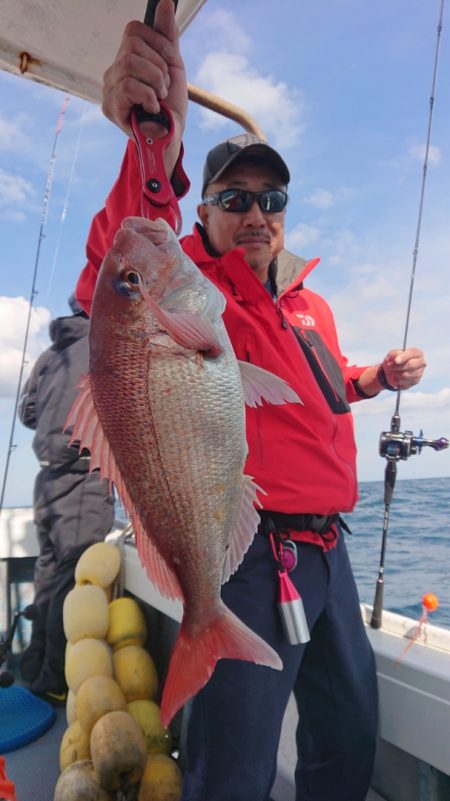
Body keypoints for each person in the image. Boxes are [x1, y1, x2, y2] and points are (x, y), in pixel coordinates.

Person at [74, 3, 426, 798]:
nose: (257, 215)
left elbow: (329, 387)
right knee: (231, 770)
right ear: (203, 214)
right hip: (252, 561)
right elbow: (123, 257)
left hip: (331, 555)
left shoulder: (310, 303)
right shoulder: (200, 298)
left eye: (272, 200)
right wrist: (153, 147)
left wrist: (378, 377)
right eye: (235, 198)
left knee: (346, 742)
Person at [18, 298, 115, 704]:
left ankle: (33, 666)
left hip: (46, 480)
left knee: (48, 573)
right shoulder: (103, 348)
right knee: (74, 580)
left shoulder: (49, 353)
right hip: (84, 478)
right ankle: (55, 678)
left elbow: (27, 412)